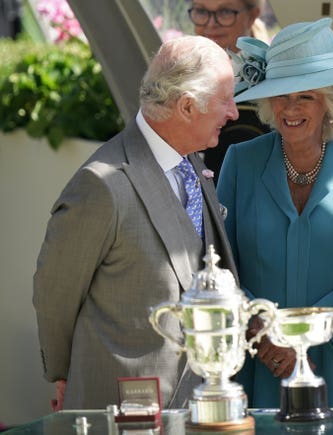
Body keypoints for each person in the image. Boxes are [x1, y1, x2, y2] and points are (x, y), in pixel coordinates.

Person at [32, 35, 239, 410]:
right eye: (226, 99)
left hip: (200, 405)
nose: (235, 113)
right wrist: (65, 376)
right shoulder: (101, 183)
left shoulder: (192, 163)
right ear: (188, 107)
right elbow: (55, 294)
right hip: (123, 410)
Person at [216, 17, 333, 408]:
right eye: (281, 95)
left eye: (306, 96)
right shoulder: (240, 161)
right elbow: (218, 265)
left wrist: (306, 338)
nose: (290, 108)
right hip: (259, 360)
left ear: (332, 100)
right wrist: (262, 335)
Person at [189, 0, 271, 184]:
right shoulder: (178, 75)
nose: (211, 23)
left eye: (225, 12)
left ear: (252, 15)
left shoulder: (272, 80)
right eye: (201, 11)